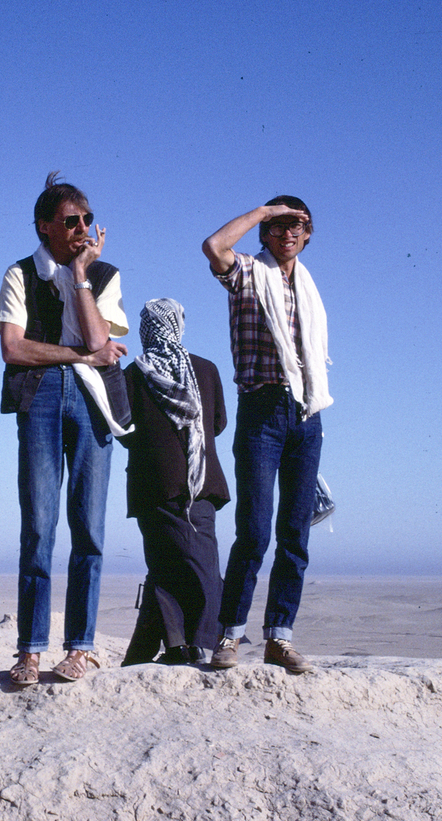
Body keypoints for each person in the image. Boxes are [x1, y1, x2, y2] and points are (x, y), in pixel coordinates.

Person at [0, 172, 131, 686]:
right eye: (71, 221)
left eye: (88, 220)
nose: (82, 229)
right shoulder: (20, 274)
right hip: (41, 394)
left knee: (89, 526)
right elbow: (13, 348)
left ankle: (79, 647)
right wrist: (80, 356)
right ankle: (29, 650)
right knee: (39, 523)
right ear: (44, 226)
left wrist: (80, 276)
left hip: (94, 400)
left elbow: (98, 337)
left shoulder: (105, 274)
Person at [201, 197, 331, 673]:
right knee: (254, 531)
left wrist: (308, 405)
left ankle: (280, 637)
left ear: (309, 233)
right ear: (264, 233)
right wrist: (262, 211)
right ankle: (230, 634)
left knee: (294, 533)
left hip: (306, 412)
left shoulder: (308, 287)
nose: (288, 233)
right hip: (261, 410)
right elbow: (214, 246)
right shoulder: (248, 274)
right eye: (278, 227)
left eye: (297, 226)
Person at [120, 299, 230, 667]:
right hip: (200, 483)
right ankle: (188, 643)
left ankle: (178, 644)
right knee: (196, 563)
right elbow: (217, 423)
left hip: (153, 485)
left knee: (168, 564)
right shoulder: (206, 370)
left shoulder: (134, 374)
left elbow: (123, 429)